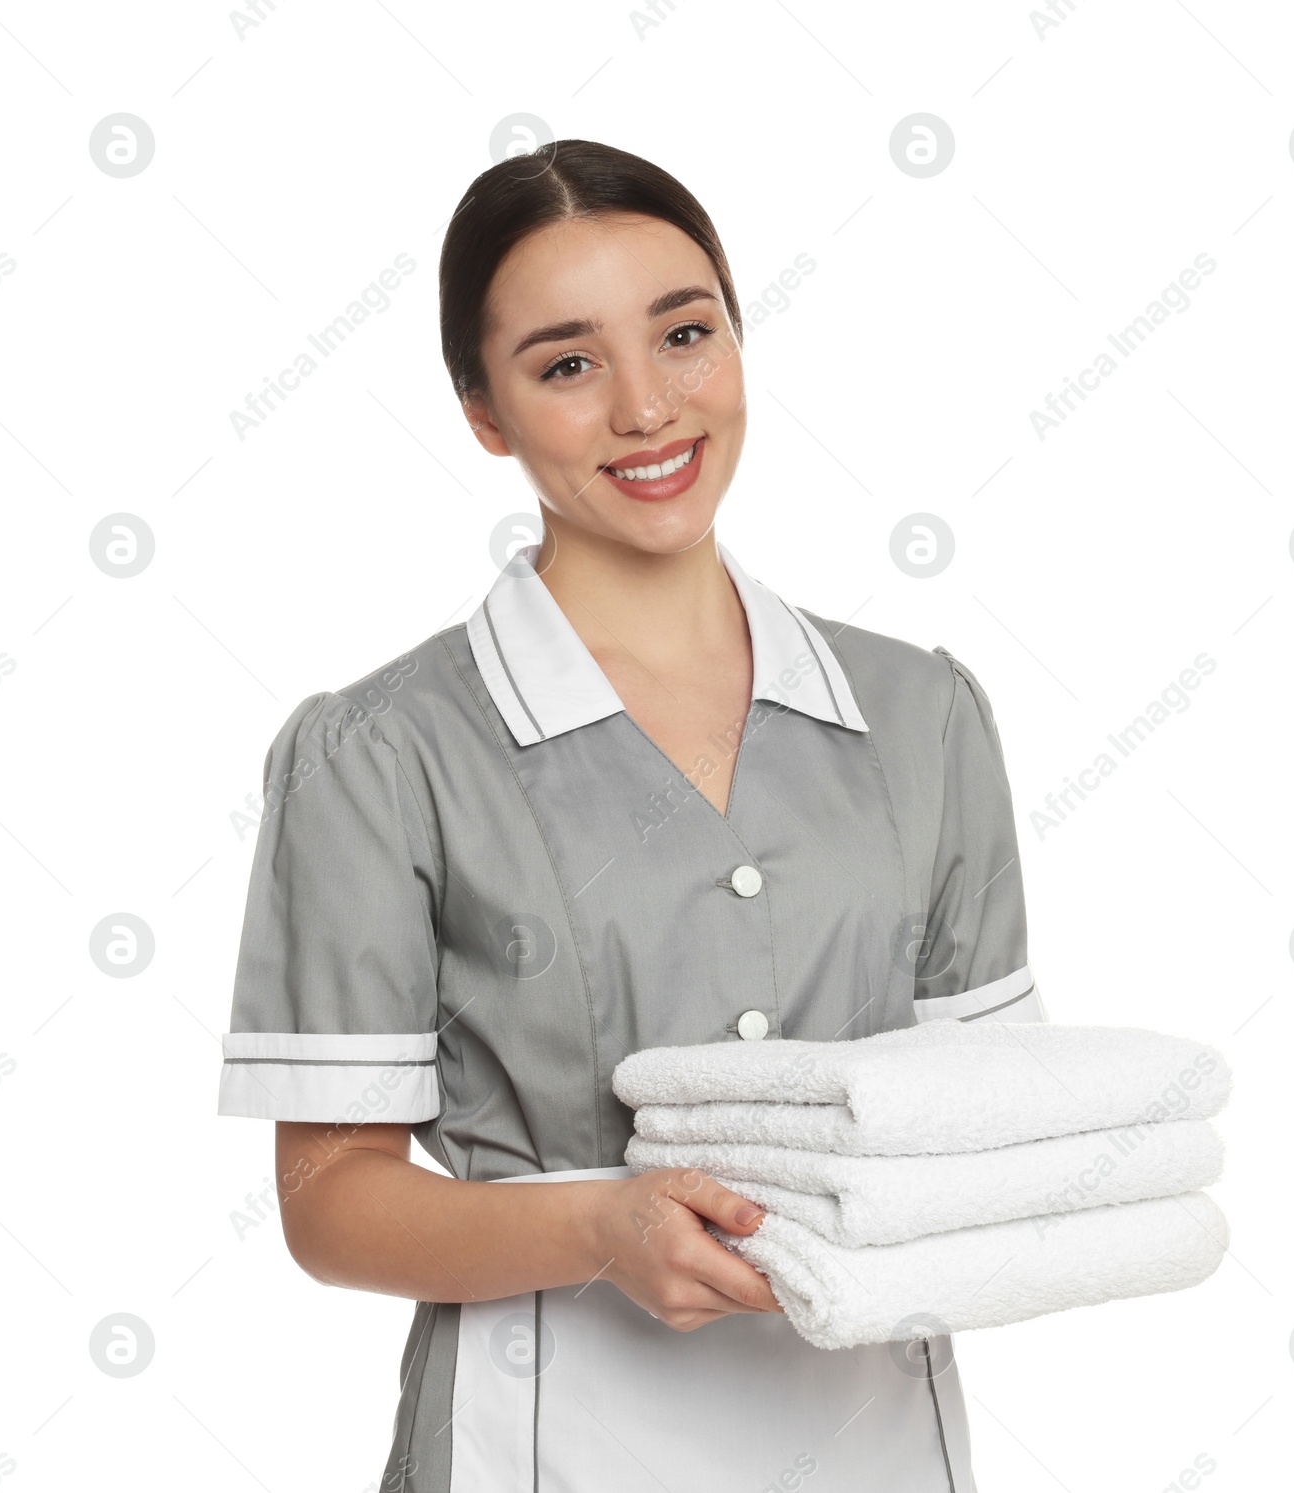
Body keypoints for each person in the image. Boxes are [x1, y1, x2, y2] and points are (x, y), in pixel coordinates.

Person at [217, 138, 1047, 1493]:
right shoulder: (380, 753)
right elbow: (329, 1202)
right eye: (566, 364)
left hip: (877, 1444)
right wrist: (601, 1228)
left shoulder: (924, 715)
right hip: (539, 1447)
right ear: (484, 410)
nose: (650, 408)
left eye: (684, 333)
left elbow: (996, 1120)